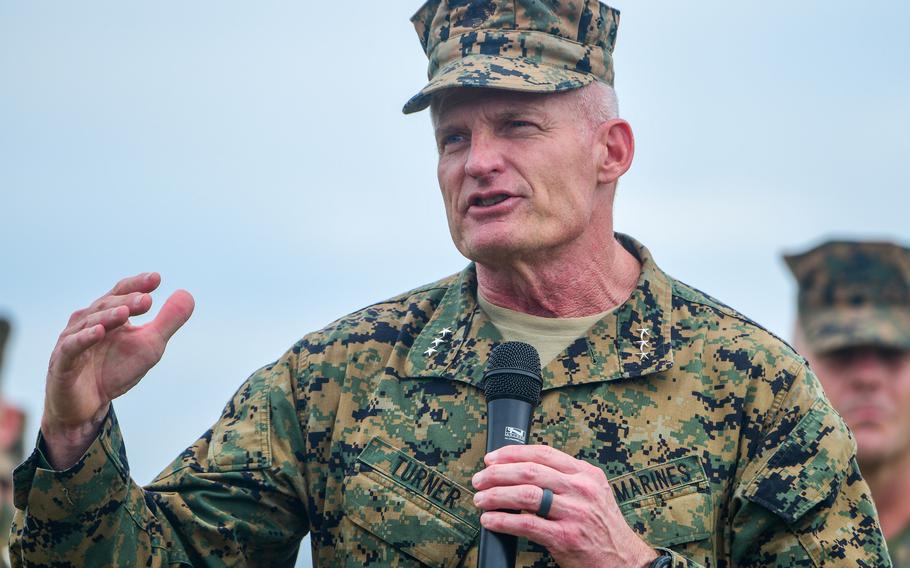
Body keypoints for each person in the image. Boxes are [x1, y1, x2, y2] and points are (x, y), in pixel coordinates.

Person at [10, 2, 889, 566]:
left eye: (517, 125)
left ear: (610, 152)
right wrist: (75, 438)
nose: (481, 163)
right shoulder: (338, 377)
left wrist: (633, 564)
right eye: (454, 138)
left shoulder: (754, 384)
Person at [787, 240, 910, 566]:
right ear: (797, 360)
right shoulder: (747, 528)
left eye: (891, 352)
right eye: (841, 352)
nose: (867, 377)